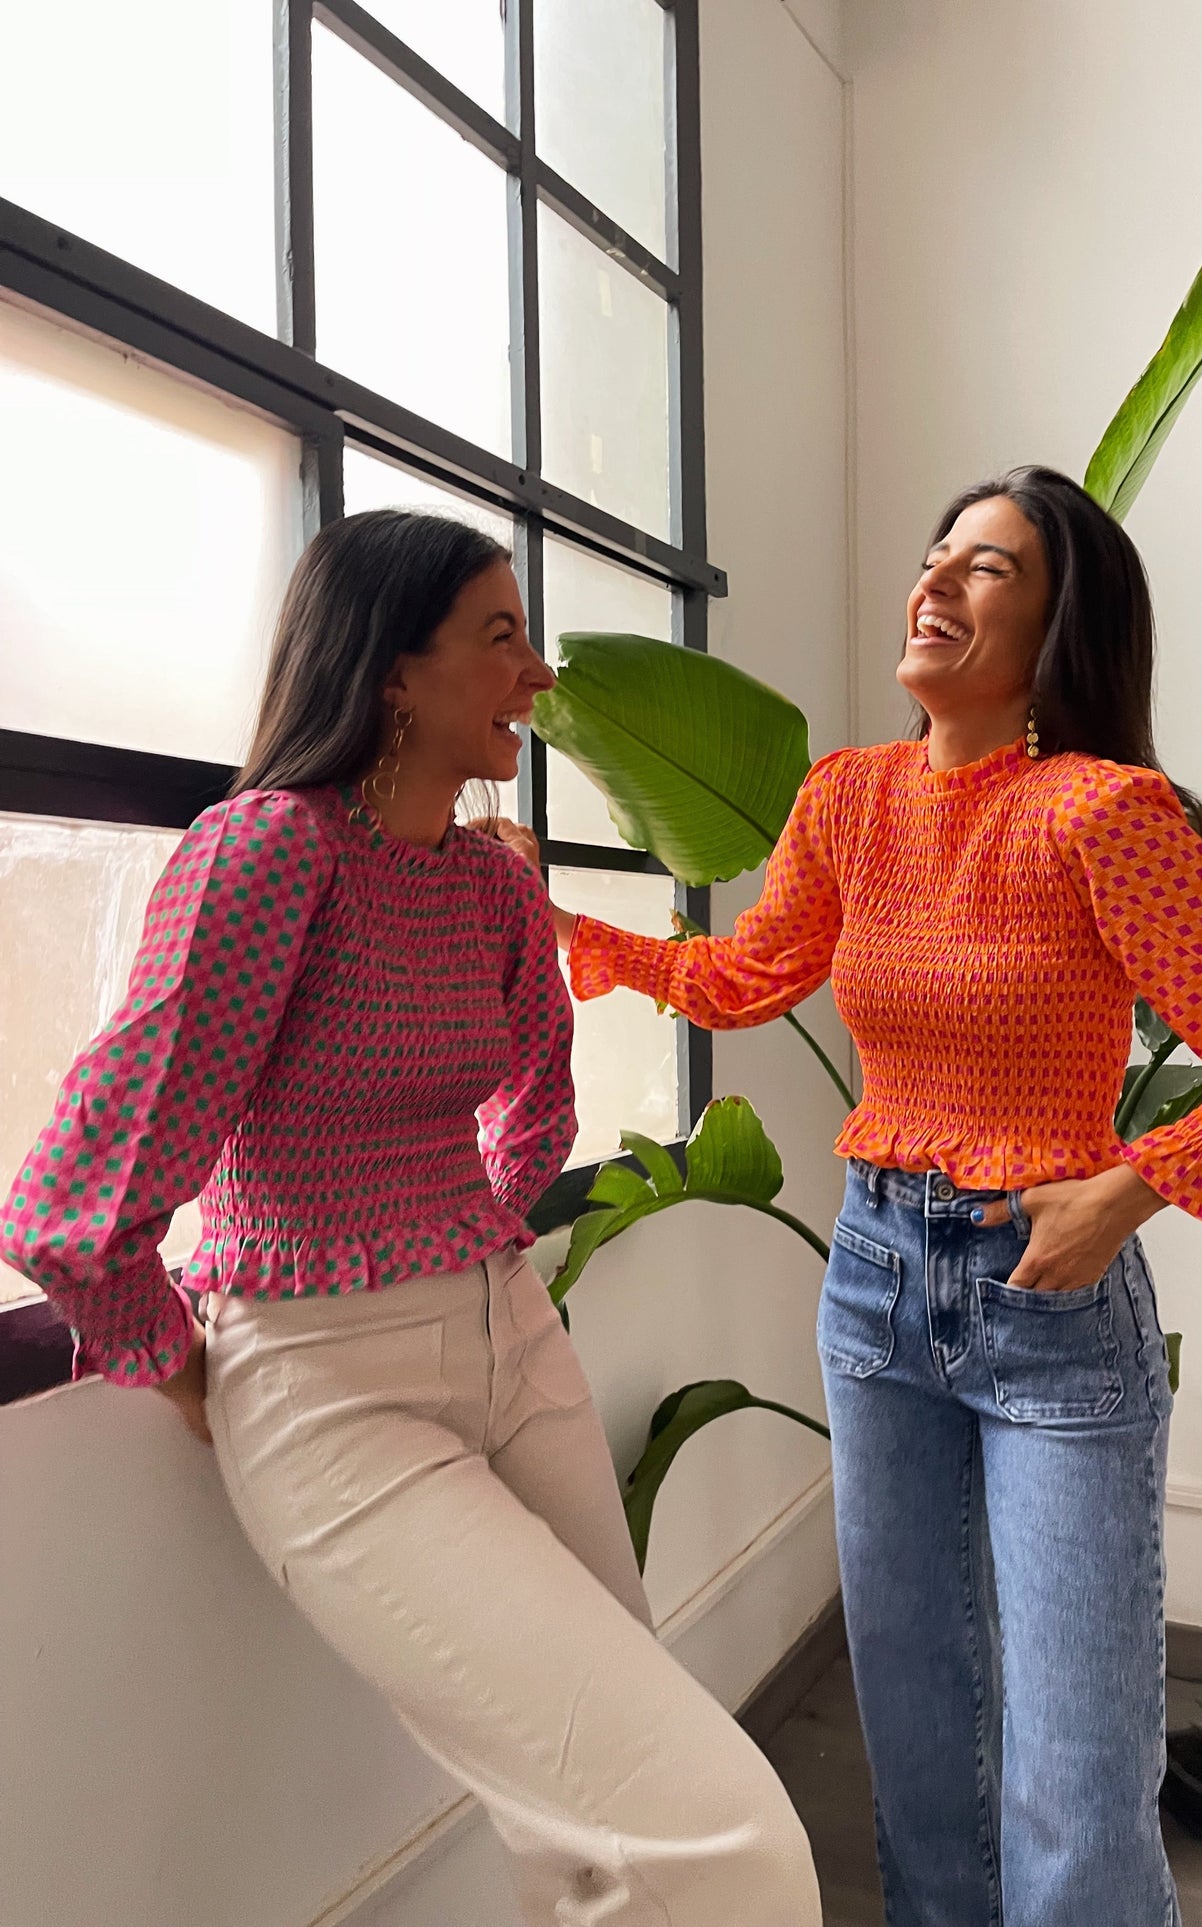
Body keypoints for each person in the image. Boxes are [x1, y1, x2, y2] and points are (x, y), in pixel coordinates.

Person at [544, 468, 1202, 1927]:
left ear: (1059, 627)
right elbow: (745, 975)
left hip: (1047, 1304)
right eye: (936, 554)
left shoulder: (1098, 814)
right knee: (917, 1727)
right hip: (873, 1285)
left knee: (1075, 1768)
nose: (935, 581)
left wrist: (1127, 1190)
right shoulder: (847, 798)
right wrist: (557, 924)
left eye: (987, 567)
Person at [2, 510, 821, 1927]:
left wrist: (463, 1231)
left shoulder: (490, 879)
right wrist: (184, 1363)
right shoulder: (268, 855)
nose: (538, 674)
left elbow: (539, 1102)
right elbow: (72, 1203)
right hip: (331, 1390)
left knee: (597, 1842)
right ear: (392, 670)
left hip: (514, 1343)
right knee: (725, 1841)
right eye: (501, 637)